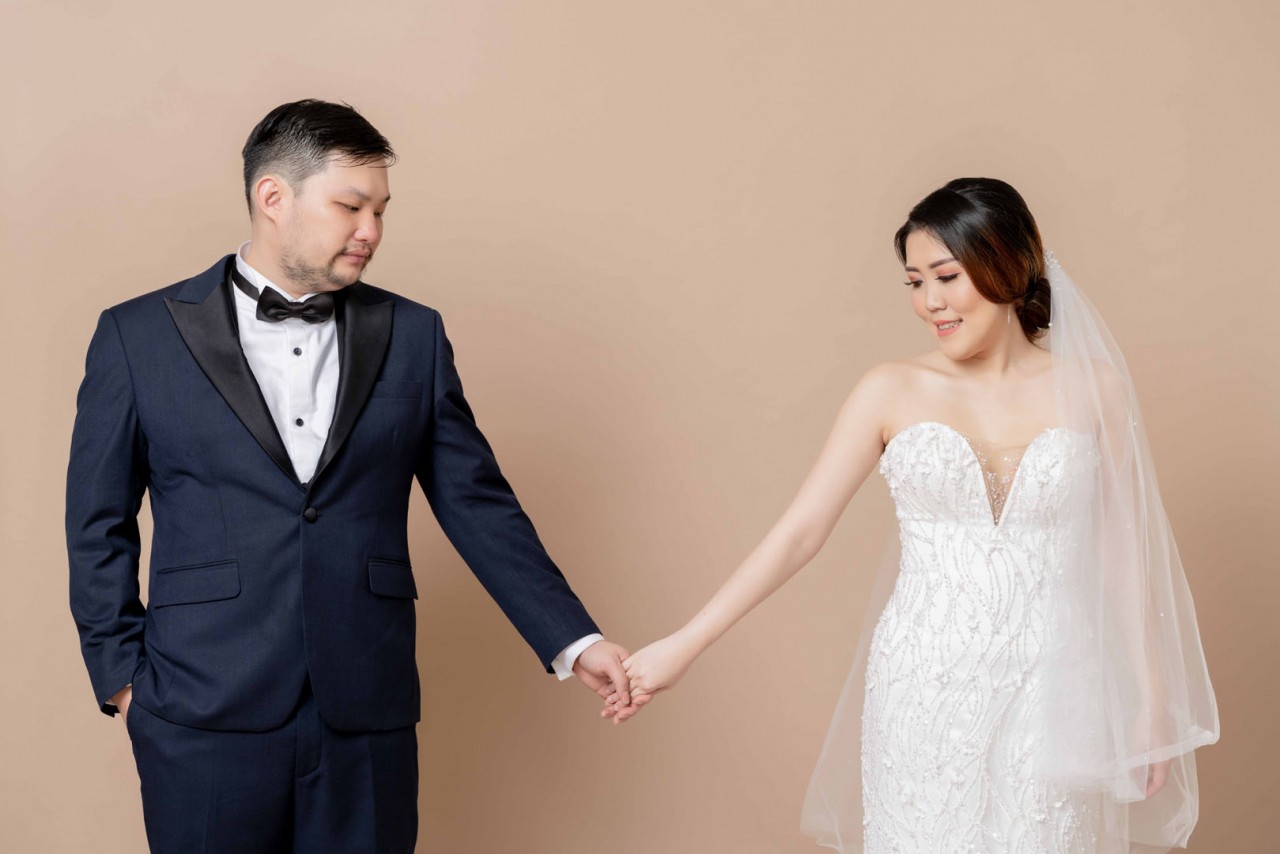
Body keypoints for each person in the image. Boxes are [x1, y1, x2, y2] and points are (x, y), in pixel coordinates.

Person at [67, 99, 641, 853]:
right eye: (351, 206)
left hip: (366, 707)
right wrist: (124, 681)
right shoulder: (136, 335)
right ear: (274, 197)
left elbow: (478, 504)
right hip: (199, 708)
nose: (371, 229)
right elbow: (97, 523)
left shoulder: (414, 334)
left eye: (381, 210)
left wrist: (576, 640)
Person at [607, 178, 1219, 852]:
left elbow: (1124, 550)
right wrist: (684, 645)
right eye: (915, 282)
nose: (930, 302)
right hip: (924, 686)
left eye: (947, 277)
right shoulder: (890, 390)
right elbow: (799, 534)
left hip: (1054, 689)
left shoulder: (1094, 387)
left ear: (1006, 265)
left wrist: (1150, 704)